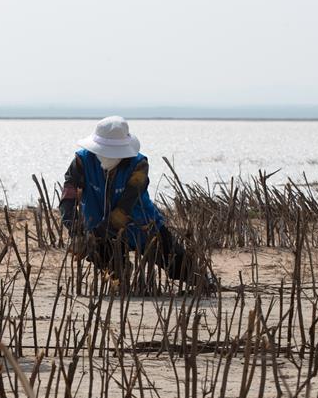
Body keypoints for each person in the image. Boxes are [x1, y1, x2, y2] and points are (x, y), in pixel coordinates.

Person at [58, 115, 216, 293]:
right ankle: (120, 276)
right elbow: (67, 200)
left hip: (142, 225)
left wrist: (94, 235)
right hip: (97, 225)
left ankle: (206, 282)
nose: (107, 156)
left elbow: (125, 207)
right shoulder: (81, 162)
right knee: (108, 261)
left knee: (175, 263)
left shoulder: (138, 165)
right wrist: (77, 232)